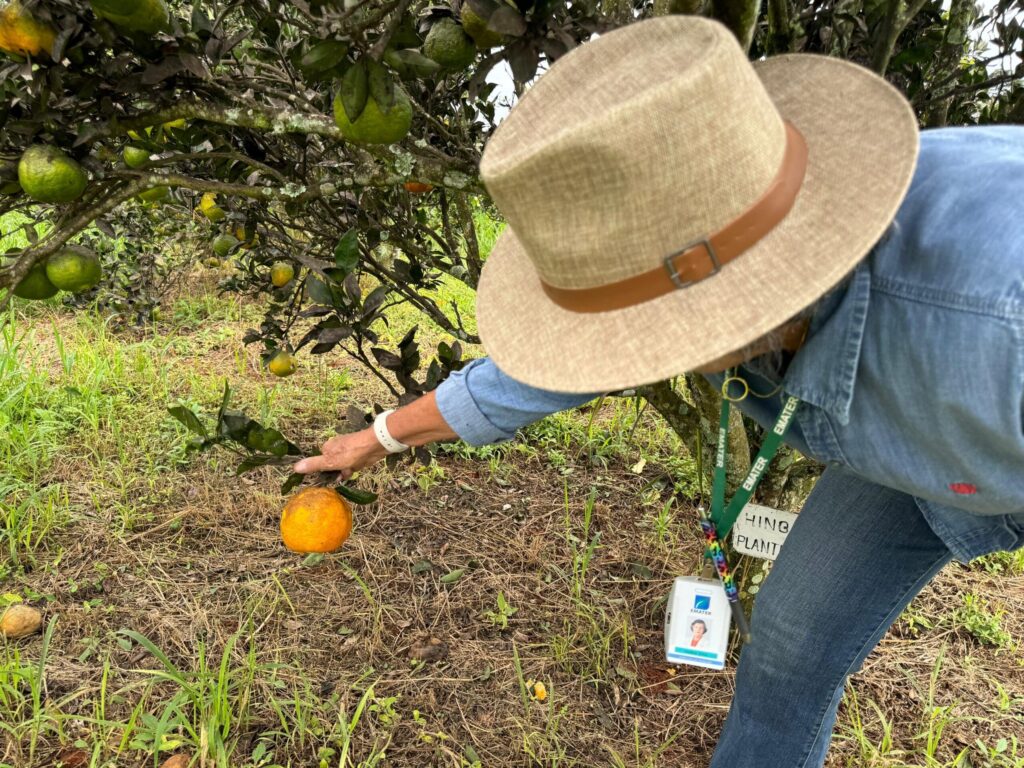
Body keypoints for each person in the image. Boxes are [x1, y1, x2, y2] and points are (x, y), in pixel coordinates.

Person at [294, 16, 1024, 768]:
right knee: (790, 641)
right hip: (909, 445)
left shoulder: (1000, 321)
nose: (633, 351)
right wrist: (377, 437)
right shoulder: (713, 219)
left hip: (983, 396)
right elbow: (538, 376)